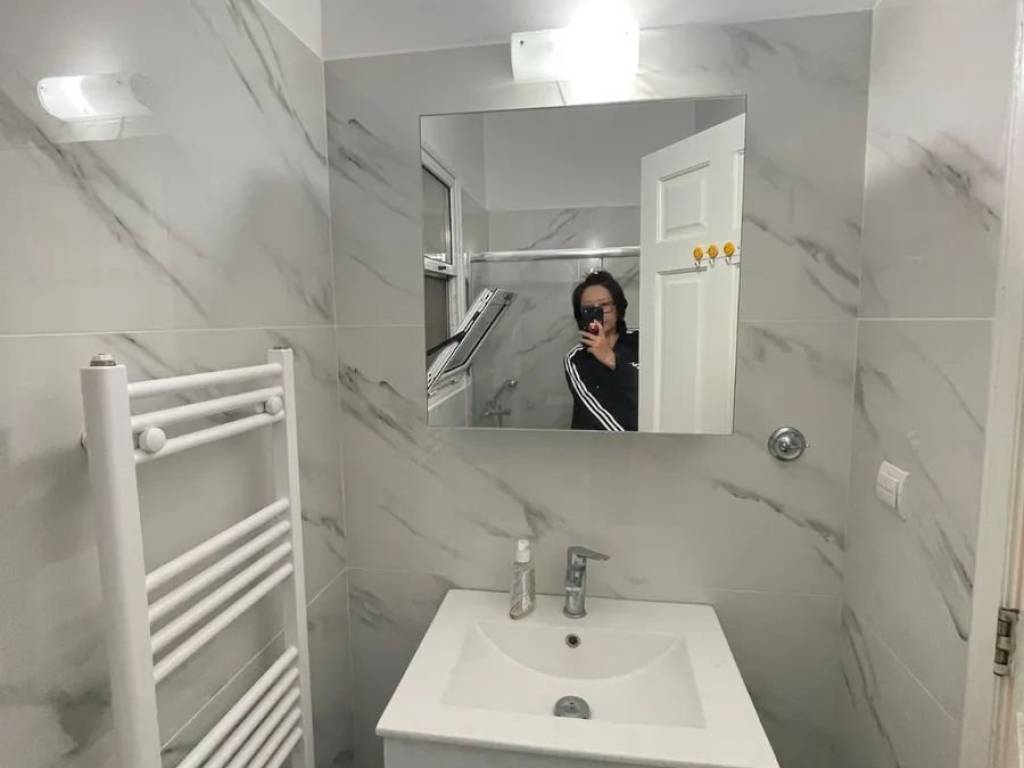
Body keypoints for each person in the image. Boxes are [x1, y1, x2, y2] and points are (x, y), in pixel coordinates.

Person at [564, 270, 639, 431]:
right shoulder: (576, 357)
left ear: (618, 308)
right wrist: (632, 440)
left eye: (604, 305)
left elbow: (652, 392)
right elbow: (597, 412)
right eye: (588, 308)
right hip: (596, 443)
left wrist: (611, 359)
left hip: (643, 440)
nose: (597, 313)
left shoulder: (642, 341)